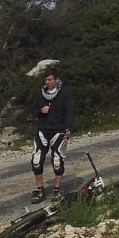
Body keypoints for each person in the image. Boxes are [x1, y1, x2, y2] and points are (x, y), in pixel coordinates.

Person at [30, 71, 74, 203]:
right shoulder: (40, 94)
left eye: (50, 80)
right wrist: (40, 111)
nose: (47, 82)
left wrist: (68, 129)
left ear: (56, 80)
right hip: (42, 130)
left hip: (59, 130)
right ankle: (40, 189)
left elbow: (69, 112)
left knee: (57, 160)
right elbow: (33, 111)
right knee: (36, 159)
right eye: (46, 80)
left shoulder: (65, 93)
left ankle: (57, 189)